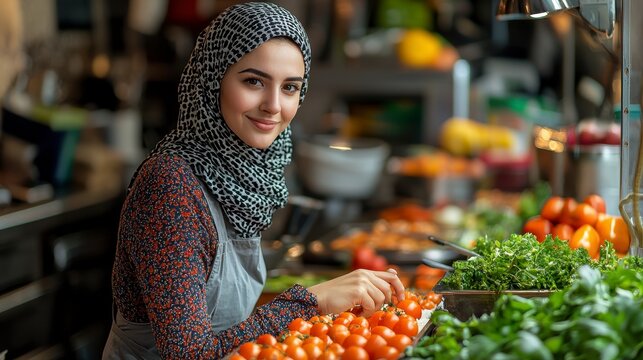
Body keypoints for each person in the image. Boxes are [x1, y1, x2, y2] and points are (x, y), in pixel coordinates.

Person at [102, 2, 405, 359]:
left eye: (290, 88)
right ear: (212, 80)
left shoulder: (244, 173)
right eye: (253, 81)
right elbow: (189, 355)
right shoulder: (170, 186)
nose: (274, 106)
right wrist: (312, 301)